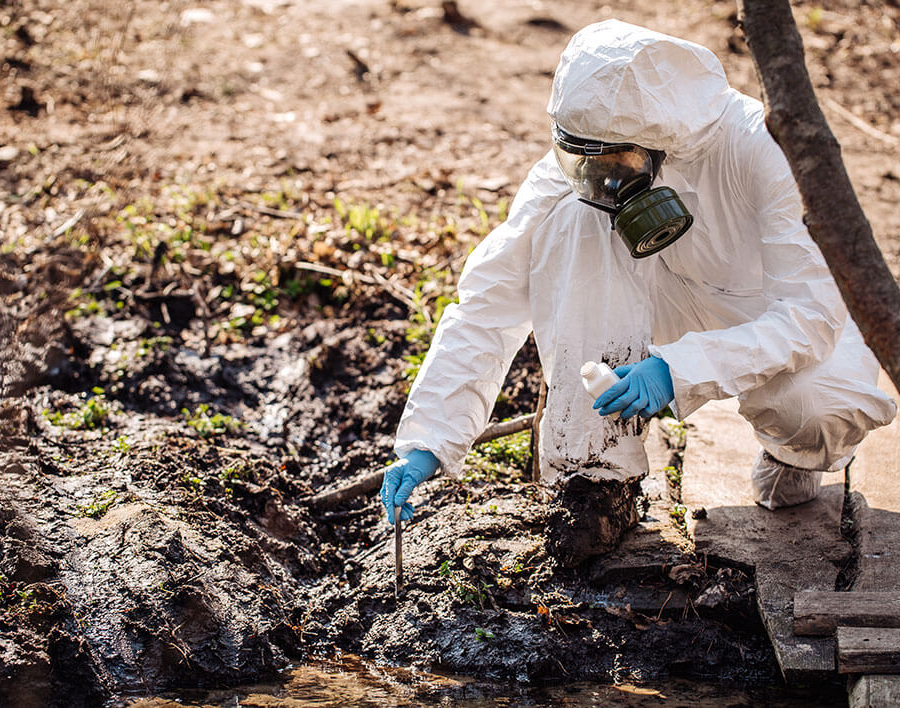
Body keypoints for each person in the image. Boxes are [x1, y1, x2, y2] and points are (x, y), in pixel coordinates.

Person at [380, 19, 897, 525]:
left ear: (659, 142)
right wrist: (427, 442)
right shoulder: (592, 152)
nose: (596, 177)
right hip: (662, 301)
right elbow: (485, 307)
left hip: (767, 314)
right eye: (580, 157)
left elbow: (811, 315)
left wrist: (680, 370)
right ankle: (595, 479)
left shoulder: (759, 149)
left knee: (815, 409)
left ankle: (793, 457)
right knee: (569, 219)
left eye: (613, 161)